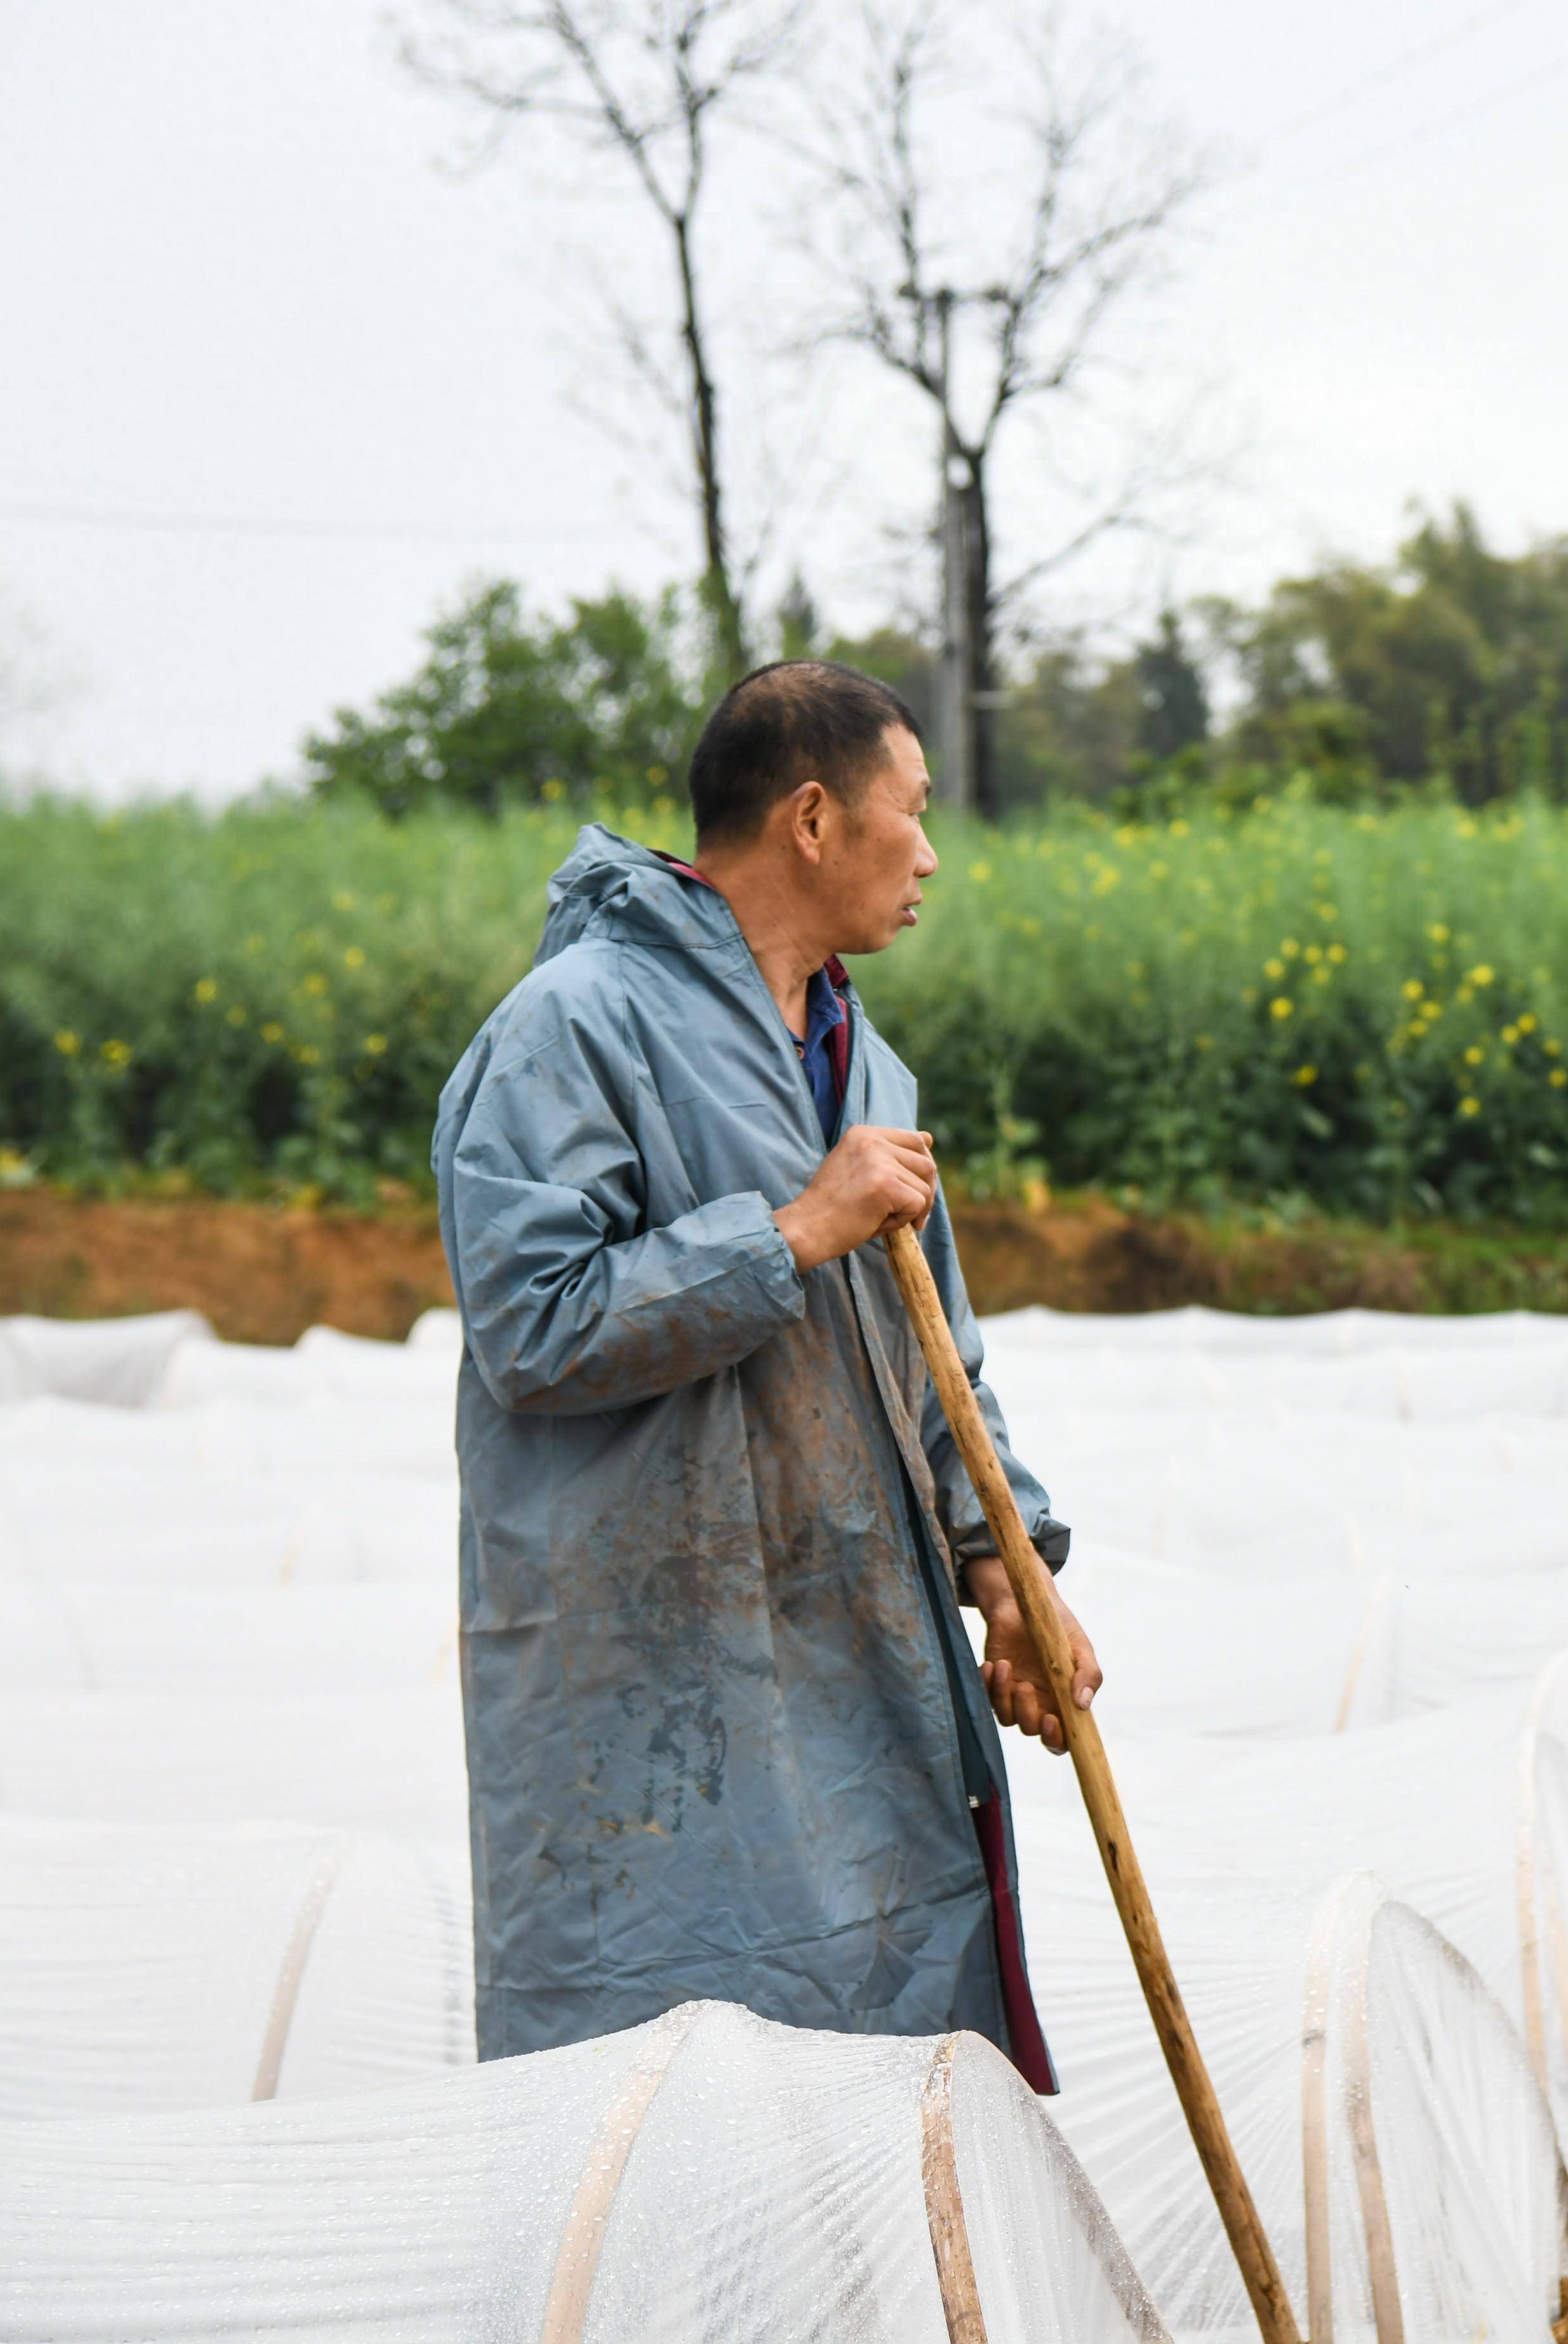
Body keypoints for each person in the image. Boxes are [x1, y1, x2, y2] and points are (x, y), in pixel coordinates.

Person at [434, 658, 1099, 2077]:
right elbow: (531, 1327)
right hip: (655, 1678)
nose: (929, 855)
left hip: (856, 1658)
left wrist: (1003, 1570)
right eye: (910, 814)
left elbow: (939, 1367)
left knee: (879, 2063)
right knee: (666, 2090)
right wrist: (794, 1230)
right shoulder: (572, 1028)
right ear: (811, 818)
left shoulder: (868, 1067)